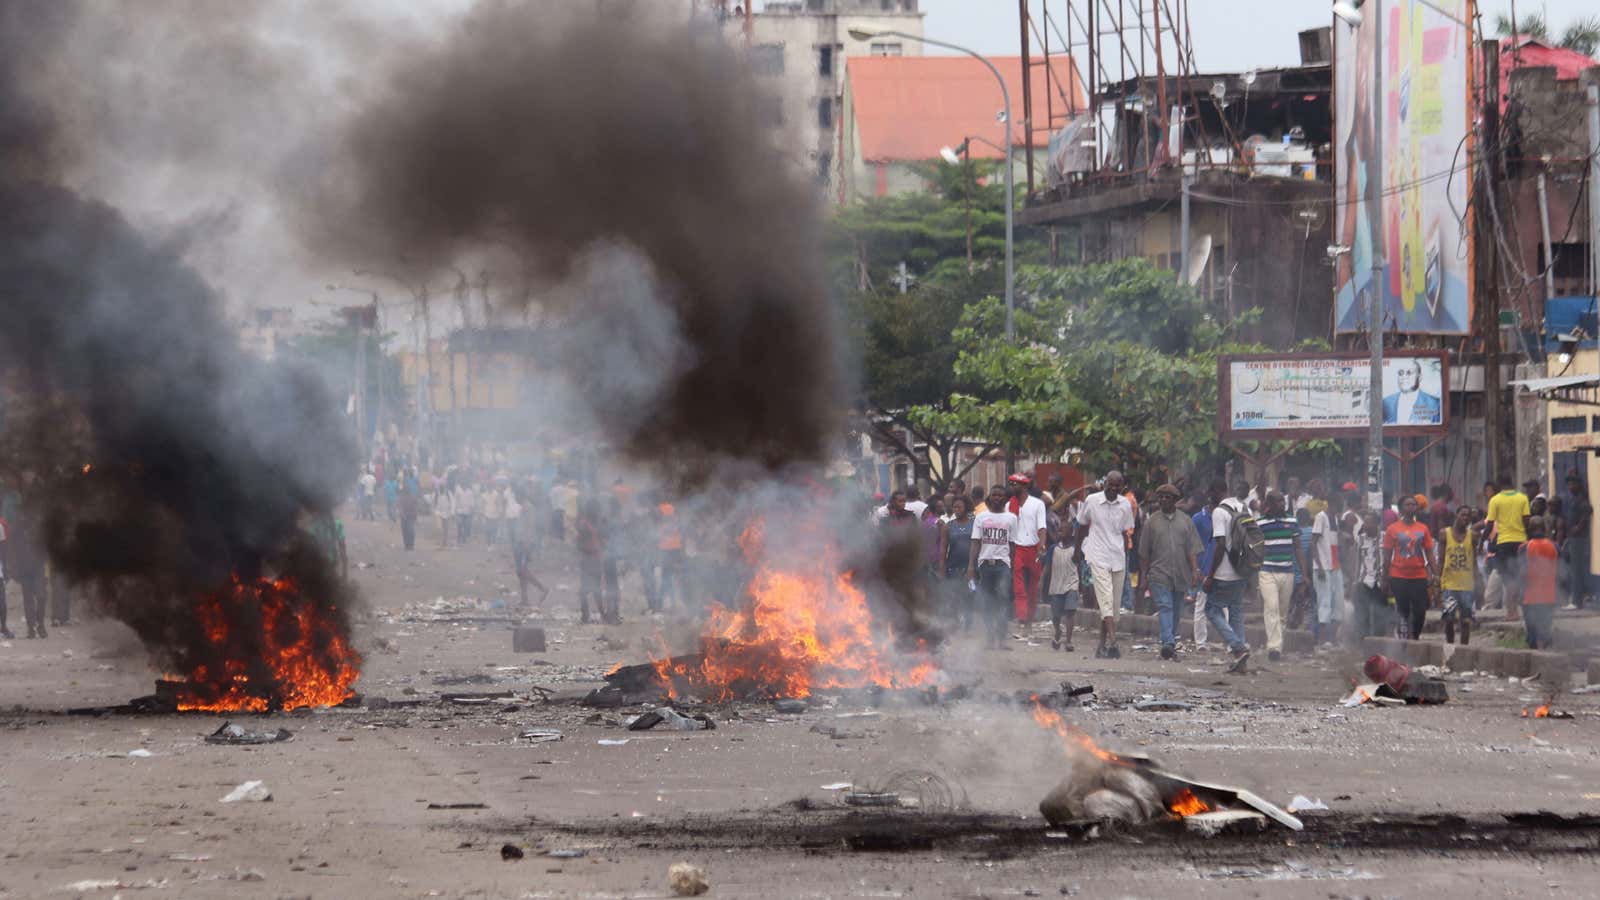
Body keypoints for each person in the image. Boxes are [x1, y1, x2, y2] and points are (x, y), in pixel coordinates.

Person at [1138, 483, 1203, 660]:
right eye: (1161, 497)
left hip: (1181, 574)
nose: (1163, 500)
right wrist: (1144, 577)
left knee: (1176, 610)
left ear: (1175, 500)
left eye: (1168, 497)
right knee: (1165, 606)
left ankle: (1170, 641)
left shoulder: (1186, 521)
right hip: (1159, 574)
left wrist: (1195, 570)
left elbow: (1192, 549)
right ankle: (1168, 642)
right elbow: (1144, 553)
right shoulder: (1151, 522)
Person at [1076, 471, 1134, 659]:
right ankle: (1113, 642)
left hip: (1117, 557)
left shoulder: (1125, 504)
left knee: (1112, 606)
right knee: (1106, 599)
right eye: (1110, 484)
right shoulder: (1092, 500)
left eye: (1117, 486)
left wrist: (1126, 557)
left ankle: (1101, 645)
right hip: (1097, 555)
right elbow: (1082, 526)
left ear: (1122, 487)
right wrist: (1077, 551)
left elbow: (1126, 532)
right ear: (1104, 484)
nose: (1113, 488)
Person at [1201, 479, 1253, 672]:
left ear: (1219, 491)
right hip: (1241, 570)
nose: (1209, 497)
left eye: (1211, 492)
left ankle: (1238, 648)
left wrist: (1210, 575)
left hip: (1224, 572)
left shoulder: (1219, 512)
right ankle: (1241, 661)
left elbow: (1221, 545)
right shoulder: (1243, 507)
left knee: (1212, 610)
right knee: (1236, 613)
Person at [1255, 491, 1307, 662]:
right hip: (1267, 571)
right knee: (1271, 607)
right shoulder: (1260, 523)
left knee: (1282, 613)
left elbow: (1298, 548)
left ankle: (1277, 644)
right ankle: (1274, 648)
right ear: (1269, 504)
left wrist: (1304, 575)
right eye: (1278, 502)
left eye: (1283, 502)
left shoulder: (1292, 521)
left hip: (1287, 571)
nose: (1282, 504)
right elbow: (1255, 547)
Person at [967, 484, 1019, 650]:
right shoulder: (981, 518)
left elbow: (1012, 545)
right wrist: (971, 566)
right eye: (994, 495)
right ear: (990, 497)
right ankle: (990, 639)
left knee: (1003, 602)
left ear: (1005, 498)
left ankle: (1001, 639)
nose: (997, 498)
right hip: (985, 565)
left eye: (1000, 495)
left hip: (1003, 565)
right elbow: (975, 542)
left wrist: (1012, 565)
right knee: (988, 603)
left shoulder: (1011, 518)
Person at [1382, 495, 1438, 640]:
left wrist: (1435, 572)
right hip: (1398, 576)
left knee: (1420, 611)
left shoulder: (1423, 528)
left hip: (1419, 576)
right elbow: (1387, 556)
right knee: (1402, 611)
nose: (1411, 507)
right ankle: (1404, 640)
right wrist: (1385, 578)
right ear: (1401, 508)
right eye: (1407, 504)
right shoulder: (1392, 529)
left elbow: (1429, 552)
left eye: (1413, 504)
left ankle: (1415, 637)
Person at [1485, 474, 1531, 620]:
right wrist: (1529, 539)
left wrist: (1481, 541)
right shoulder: (1522, 498)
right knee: (1517, 576)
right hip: (1521, 542)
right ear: (1512, 482)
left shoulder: (1495, 500)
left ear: (1499, 484)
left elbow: (1490, 524)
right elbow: (1527, 521)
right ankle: (1514, 610)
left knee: (1507, 577)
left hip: (1503, 542)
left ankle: (1512, 612)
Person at [1008, 473, 1049, 640]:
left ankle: (1029, 622)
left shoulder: (1037, 504)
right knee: (1019, 588)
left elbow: (1042, 527)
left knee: (1032, 588)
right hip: (1017, 548)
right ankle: (1022, 622)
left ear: (1023, 486)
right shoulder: (1009, 505)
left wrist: (1042, 546)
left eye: (1014, 485)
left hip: (1034, 549)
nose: (1011, 488)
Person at [1439, 505, 1476, 645]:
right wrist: (1437, 579)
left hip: (1467, 584)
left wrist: (1478, 583)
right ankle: (1450, 647)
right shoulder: (1445, 533)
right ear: (1457, 515)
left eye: (1468, 516)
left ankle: (1464, 650)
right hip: (1449, 583)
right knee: (1449, 619)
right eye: (1463, 515)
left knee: (1466, 621)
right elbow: (1441, 559)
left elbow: (1474, 560)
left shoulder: (1472, 535)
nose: (1465, 518)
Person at [1310, 495, 1344, 646]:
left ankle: (1333, 638)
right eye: (1339, 504)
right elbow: (1313, 543)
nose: (1341, 507)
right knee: (1324, 602)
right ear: (1332, 504)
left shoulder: (1335, 519)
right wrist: (1319, 566)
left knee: (1338, 602)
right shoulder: (1320, 517)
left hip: (1335, 567)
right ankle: (1322, 639)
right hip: (1323, 566)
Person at [1039, 526, 1080, 651]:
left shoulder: (1075, 549)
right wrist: (1041, 581)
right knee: (1056, 616)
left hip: (1072, 583)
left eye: (1063, 530)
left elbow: (1079, 566)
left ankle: (1068, 641)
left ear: (1070, 533)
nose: (1060, 533)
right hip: (1056, 585)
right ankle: (1058, 631)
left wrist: (1081, 585)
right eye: (1059, 531)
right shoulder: (1053, 549)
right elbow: (1047, 566)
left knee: (1070, 612)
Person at [1522, 517, 1559, 649]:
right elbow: (1561, 571)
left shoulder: (1525, 547)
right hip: (1549, 597)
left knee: (1532, 636)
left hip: (1530, 598)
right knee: (1544, 632)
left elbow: (1521, 573)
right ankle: (1545, 658)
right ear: (1544, 529)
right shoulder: (1554, 546)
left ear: (1529, 529)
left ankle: (1536, 659)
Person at [939, 496, 975, 629]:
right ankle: (954, 622)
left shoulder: (974, 524)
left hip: (971, 568)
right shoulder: (948, 526)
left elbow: (978, 544)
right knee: (954, 595)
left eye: (959, 507)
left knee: (971, 593)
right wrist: (942, 567)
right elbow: (943, 548)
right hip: (953, 567)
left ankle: (968, 622)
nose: (956, 510)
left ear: (966, 508)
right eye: (954, 507)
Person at [1353, 510, 1390, 639]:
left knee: (1380, 615)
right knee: (1363, 615)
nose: (1365, 525)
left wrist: (1388, 580)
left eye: (1369, 522)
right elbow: (1356, 561)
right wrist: (1354, 581)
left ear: (1377, 524)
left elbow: (1390, 559)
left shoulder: (1386, 537)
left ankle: (1379, 643)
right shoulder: (1360, 539)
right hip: (1363, 581)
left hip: (1381, 582)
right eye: (1365, 522)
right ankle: (1363, 643)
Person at [1382, 358, 1441, 424]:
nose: (1404, 376)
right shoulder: (1385, 402)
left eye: (1409, 373)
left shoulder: (1435, 404)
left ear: (1419, 377)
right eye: (1401, 373)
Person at [1189, 491, 1214, 647]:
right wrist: (1195, 568)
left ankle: (1231, 643)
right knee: (1201, 606)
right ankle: (1200, 643)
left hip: (1219, 568)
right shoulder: (1198, 519)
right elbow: (1191, 544)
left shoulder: (1223, 516)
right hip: (1204, 567)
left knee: (1224, 607)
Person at [574, 496, 604, 625]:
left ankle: (586, 615)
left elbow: (580, 544)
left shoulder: (586, 523)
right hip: (594, 559)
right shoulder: (593, 523)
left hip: (590, 560)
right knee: (594, 589)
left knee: (586, 590)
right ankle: (600, 614)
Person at [1564, 474, 1592, 609]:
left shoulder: (1581, 500)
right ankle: (1577, 598)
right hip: (1574, 538)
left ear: (1579, 485)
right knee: (1575, 569)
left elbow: (1585, 515)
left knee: (1577, 570)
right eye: (1568, 484)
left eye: (1572, 484)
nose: (1570, 487)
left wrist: (1577, 528)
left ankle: (1576, 601)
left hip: (1579, 538)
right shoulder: (1574, 499)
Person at [432, 478, 454, 547]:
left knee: (446, 528)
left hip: (447, 513)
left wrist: (452, 512)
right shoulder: (436, 494)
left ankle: (445, 542)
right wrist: (435, 512)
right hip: (439, 513)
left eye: (443, 486)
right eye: (441, 486)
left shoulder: (448, 493)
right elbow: (433, 504)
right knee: (440, 528)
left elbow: (453, 503)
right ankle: (441, 542)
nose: (442, 488)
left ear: (445, 487)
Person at [453, 478, 477, 545]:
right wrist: (455, 511)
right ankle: (459, 539)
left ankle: (464, 539)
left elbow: (472, 502)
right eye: (462, 484)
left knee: (466, 526)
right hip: (459, 511)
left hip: (467, 511)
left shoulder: (470, 492)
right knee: (459, 526)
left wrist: (472, 511)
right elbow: (455, 501)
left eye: (464, 484)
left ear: (466, 485)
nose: (463, 486)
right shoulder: (458, 491)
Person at [397, 484, 419, 551]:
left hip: (410, 516)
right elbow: (399, 507)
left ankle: (411, 545)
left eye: (407, 489)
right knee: (405, 531)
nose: (407, 491)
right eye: (406, 490)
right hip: (404, 517)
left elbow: (416, 507)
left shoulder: (412, 497)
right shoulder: (401, 497)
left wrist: (415, 516)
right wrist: (402, 514)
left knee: (410, 531)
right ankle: (407, 545)